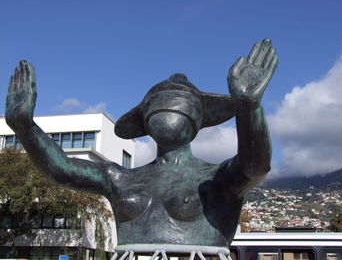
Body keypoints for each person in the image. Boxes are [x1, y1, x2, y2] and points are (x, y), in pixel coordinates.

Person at [5, 38, 278, 247]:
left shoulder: (217, 179)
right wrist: (25, 127)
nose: (168, 102)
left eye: (179, 99)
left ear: (201, 117)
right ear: (144, 120)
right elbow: (61, 169)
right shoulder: (118, 177)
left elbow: (255, 166)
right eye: (157, 101)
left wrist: (248, 106)